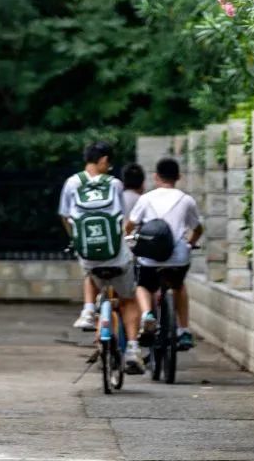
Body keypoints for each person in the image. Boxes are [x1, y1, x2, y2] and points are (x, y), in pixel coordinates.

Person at [58, 141, 145, 374]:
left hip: (88, 254)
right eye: (109, 163)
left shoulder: (72, 182)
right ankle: (133, 350)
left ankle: (88, 311)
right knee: (128, 299)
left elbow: (65, 217)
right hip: (116, 254)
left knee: (90, 272)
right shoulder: (114, 184)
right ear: (104, 160)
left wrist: (77, 240)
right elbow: (122, 218)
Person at [125, 157, 203, 352]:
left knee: (142, 285)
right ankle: (184, 330)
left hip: (150, 258)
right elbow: (198, 228)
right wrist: (190, 244)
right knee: (179, 286)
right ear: (179, 177)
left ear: (156, 177)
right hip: (178, 258)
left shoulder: (146, 198)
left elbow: (130, 224)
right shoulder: (186, 200)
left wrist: (130, 239)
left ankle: (147, 315)